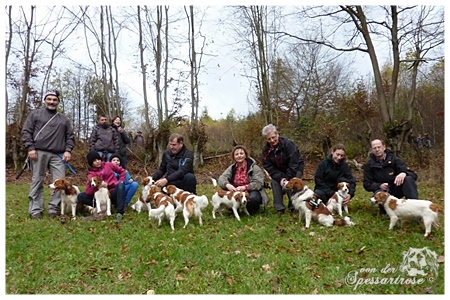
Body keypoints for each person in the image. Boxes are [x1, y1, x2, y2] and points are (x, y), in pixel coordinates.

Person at [21, 90, 75, 219]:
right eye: (49, 99)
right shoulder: (36, 115)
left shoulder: (64, 119)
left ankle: (54, 208)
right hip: (38, 152)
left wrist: (68, 150)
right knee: (37, 180)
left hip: (58, 155)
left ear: (58, 102)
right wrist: (30, 148)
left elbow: (70, 136)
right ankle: (35, 209)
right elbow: (26, 131)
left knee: (60, 182)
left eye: (54, 99)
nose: (52, 102)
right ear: (45, 100)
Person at [363, 139, 418, 214]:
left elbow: (413, 175)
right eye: (374, 148)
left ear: (384, 147)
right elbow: (367, 184)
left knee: (408, 179)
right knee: (387, 213)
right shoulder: (369, 165)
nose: (377, 150)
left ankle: (415, 209)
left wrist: (403, 173)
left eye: (379, 147)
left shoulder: (395, 160)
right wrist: (379, 185)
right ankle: (385, 211)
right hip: (381, 193)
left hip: (396, 188)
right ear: (372, 150)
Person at [261, 124, 304, 214]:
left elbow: (294, 163)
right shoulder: (266, 150)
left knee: (292, 182)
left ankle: (293, 206)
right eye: (269, 139)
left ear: (278, 134)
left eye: (273, 137)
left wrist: (287, 178)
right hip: (278, 171)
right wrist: (281, 178)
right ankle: (279, 208)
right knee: (274, 182)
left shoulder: (289, 144)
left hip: (295, 168)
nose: (272, 140)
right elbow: (268, 166)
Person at [218, 145, 269, 215]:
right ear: (234, 157)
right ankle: (234, 209)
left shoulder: (254, 168)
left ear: (245, 155)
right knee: (228, 196)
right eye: (236, 154)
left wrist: (245, 187)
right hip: (236, 192)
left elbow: (259, 183)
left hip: (251, 191)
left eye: (241, 153)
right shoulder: (232, 168)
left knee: (253, 199)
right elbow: (221, 178)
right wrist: (227, 185)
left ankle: (251, 209)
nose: (239, 156)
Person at [77, 151, 126, 223]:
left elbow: (122, 171)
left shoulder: (108, 164)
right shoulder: (91, 174)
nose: (97, 162)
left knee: (120, 186)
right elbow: (88, 191)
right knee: (81, 196)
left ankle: (119, 213)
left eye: (98, 159)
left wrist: (121, 181)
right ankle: (100, 208)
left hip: (112, 192)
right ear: (91, 163)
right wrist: (99, 185)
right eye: (94, 161)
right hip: (100, 196)